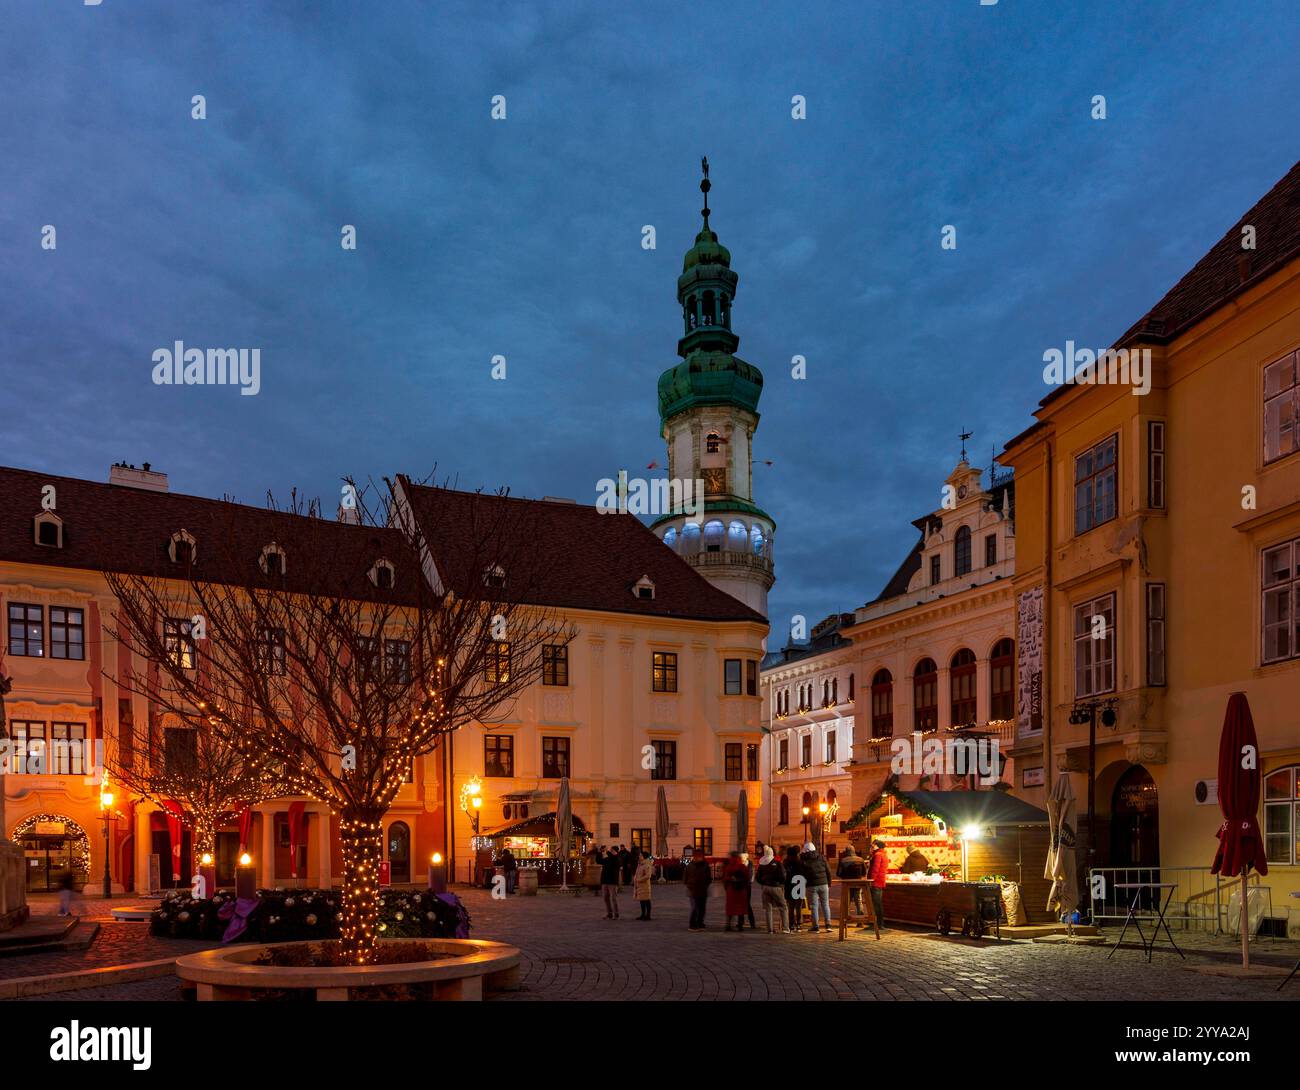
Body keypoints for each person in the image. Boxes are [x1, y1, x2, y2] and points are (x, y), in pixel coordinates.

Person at [755, 845, 788, 934]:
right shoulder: (777, 863)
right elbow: (783, 876)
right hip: (776, 887)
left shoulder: (762, 865)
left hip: (765, 887)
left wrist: (764, 882)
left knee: (768, 909)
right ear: (772, 854)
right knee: (783, 907)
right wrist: (780, 883)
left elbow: (757, 877)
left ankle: (770, 929)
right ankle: (785, 928)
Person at [800, 841, 832, 934]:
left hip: (812, 885)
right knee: (825, 904)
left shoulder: (804, 860)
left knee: (814, 906)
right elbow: (828, 871)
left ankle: (816, 926)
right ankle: (828, 925)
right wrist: (828, 883)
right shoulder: (821, 857)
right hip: (824, 884)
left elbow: (802, 874)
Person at [683, 849, 713, 931]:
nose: (698, 857)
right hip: (693, 890)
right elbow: (685, 879)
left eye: (700, 856)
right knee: (695, 908)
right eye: (697, 855)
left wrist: (706, 885)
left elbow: (709, 878)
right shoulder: (689, 866)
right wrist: (690, 885)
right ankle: (692, 925)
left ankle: (700, 923)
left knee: (702, 908)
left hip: (703, 890)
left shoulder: (705, 865)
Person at [722, 851, 750, 932]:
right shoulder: (743, 866)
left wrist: (727, 886)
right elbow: (747, 878)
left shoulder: (729, 866)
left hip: (731, 890)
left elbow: (725, 878)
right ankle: (740, 925)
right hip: (741, 890)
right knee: (741, 908)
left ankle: (728, 925)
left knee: (730, 908)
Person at [836, 844, 867, 917]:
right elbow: (864, 873)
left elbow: (838, 873)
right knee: (859, 901)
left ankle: (846, 918)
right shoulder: (861, 860)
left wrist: (844, 876)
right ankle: (860, 919)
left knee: (846, 902)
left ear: (846, 852)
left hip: (847, 884)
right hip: (858, 883)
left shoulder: (843, 860)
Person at [868, 839, 890, 935]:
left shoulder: (877, 855)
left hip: (876, 882)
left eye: (873, 845)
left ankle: (878, 924)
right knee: (878, 903)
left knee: (876, 903)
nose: (872, 847)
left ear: (877, 846)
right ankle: (880, 923)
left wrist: (871, 880)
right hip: (880, 882)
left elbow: (875, 869)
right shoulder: (883, 854)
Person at [783, 844, 807, 932]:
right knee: (798, 907)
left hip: (789, 885)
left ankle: (791, 924)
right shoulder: (800, 861)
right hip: (800, 884)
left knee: (791, 907)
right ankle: (799, 924)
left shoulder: (786, 862)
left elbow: (784, 874)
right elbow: (805, 873)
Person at [599, 845, 623, 919]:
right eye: (610, 850)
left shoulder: (618, 858)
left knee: (613, 898)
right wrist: (600, 853)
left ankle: (616, 914)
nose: (610, 851)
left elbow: (615, 863)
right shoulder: (608, 858)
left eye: (612, 850)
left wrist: (608, 853)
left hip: (612, 881)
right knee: (606, 898)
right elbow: (600, 861)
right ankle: (609, 913)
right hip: (605, 880)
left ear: (616, 851)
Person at [633, 850, 653, 919]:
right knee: (642, 900)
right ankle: (643, 914)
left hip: (644, 885)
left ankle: (648, 915)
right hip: (640, 885)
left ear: (644, 857)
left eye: (640, 855)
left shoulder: (647, 864)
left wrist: (639, 880)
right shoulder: (640, 864)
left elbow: (648, 875)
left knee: (646, 900)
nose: (639, 856)